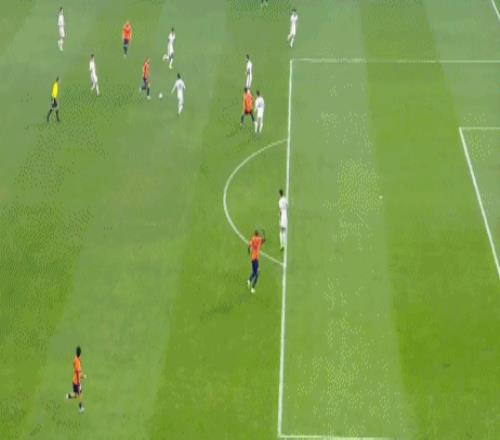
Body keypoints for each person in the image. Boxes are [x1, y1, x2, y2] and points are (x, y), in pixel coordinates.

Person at [65, 346, 86, 413]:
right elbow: (78, 373)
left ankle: (68, 396)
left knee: (77, 394)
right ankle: (81, 408)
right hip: (76, 382)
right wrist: (82, 377)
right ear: (80, 353)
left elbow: (77, 371)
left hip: (75, 380)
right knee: (79, 395)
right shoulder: (77, 362)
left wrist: (81, 375)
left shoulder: (76, 358)